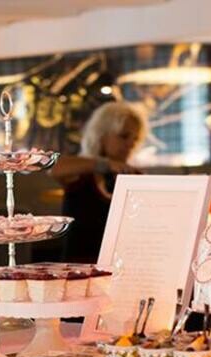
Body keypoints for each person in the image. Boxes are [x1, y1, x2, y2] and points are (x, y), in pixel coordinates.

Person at [51, 102, 149, 263]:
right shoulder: (80, 173)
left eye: (135, 138)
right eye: (124, 136)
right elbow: (54, 168)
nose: (131, 143)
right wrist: (106, 164)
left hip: (121, 269)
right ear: (101, 134)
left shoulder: (134, 176)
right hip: (79, 269)